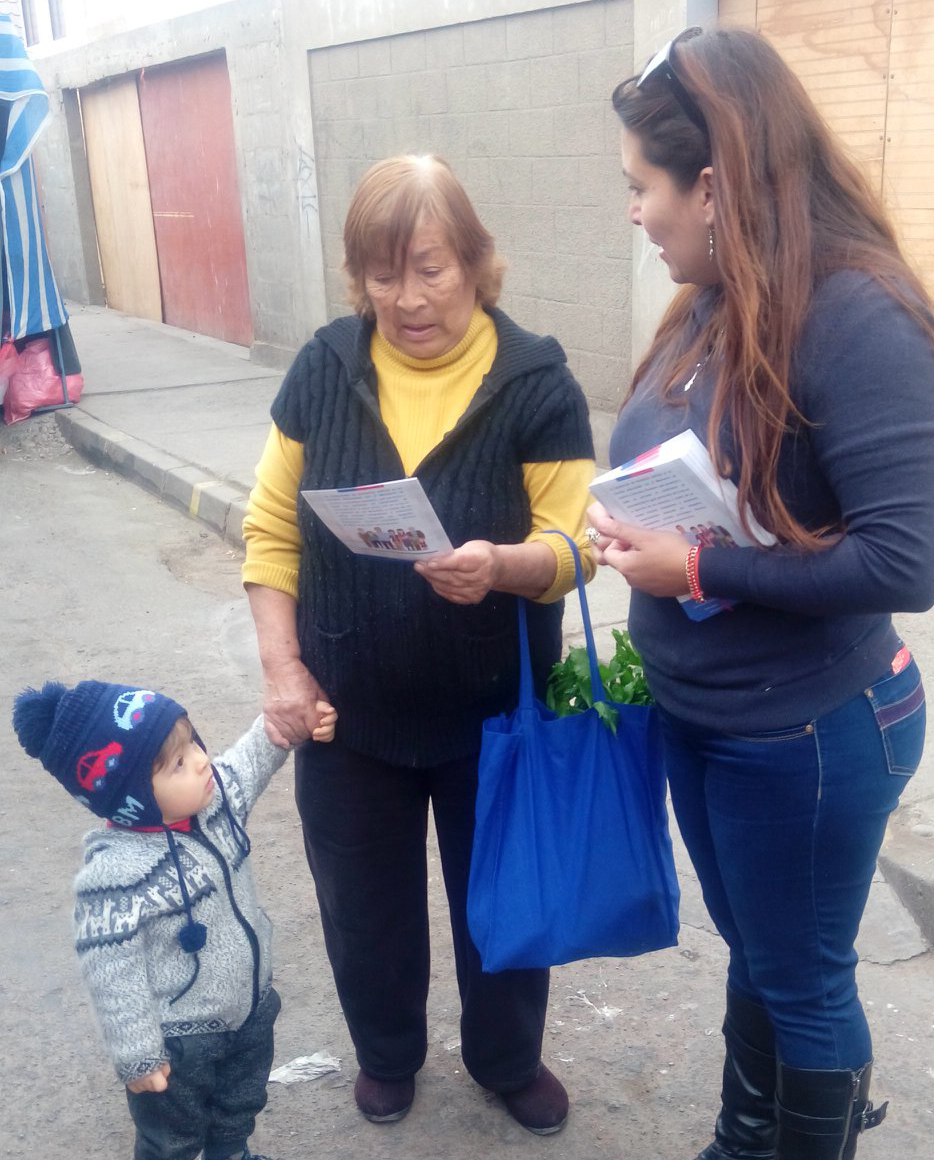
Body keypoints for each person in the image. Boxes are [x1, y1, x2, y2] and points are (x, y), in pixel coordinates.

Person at [588, 26, 934, 1160]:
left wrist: (696, 567)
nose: (635, 216)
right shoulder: (710, 299)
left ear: (713, 184)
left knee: (800, 974)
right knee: (759, 945)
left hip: (809, 726)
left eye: (642, 189)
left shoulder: (859, 315)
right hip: (710, 713)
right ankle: (744, 1143)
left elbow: (906, 563)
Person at [241, 154, 595, 1134]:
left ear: (478, 263)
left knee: (504, 909)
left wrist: (504, 566)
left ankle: (506, 1055)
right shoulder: (325, 366)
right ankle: (388, 1051)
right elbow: (270, 529)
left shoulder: (536, 380)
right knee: (366, 907)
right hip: (348, 711)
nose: (405, 298)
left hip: (496, 713)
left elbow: (574, 545)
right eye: (382, 274)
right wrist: (285, 666)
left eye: (429, 268)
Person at [10, 679, 337, 1160]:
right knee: (172, 1137)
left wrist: (287, 724)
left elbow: (250, 757)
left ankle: (231, 1152)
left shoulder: (214, 802)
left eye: (194, 744)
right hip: (178, 1043)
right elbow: (110, 972)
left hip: (248, 1008)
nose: (202, 760)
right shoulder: (116, 874)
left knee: (240, 1104)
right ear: (133, 795)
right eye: (179, 763)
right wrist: (137, 1052)